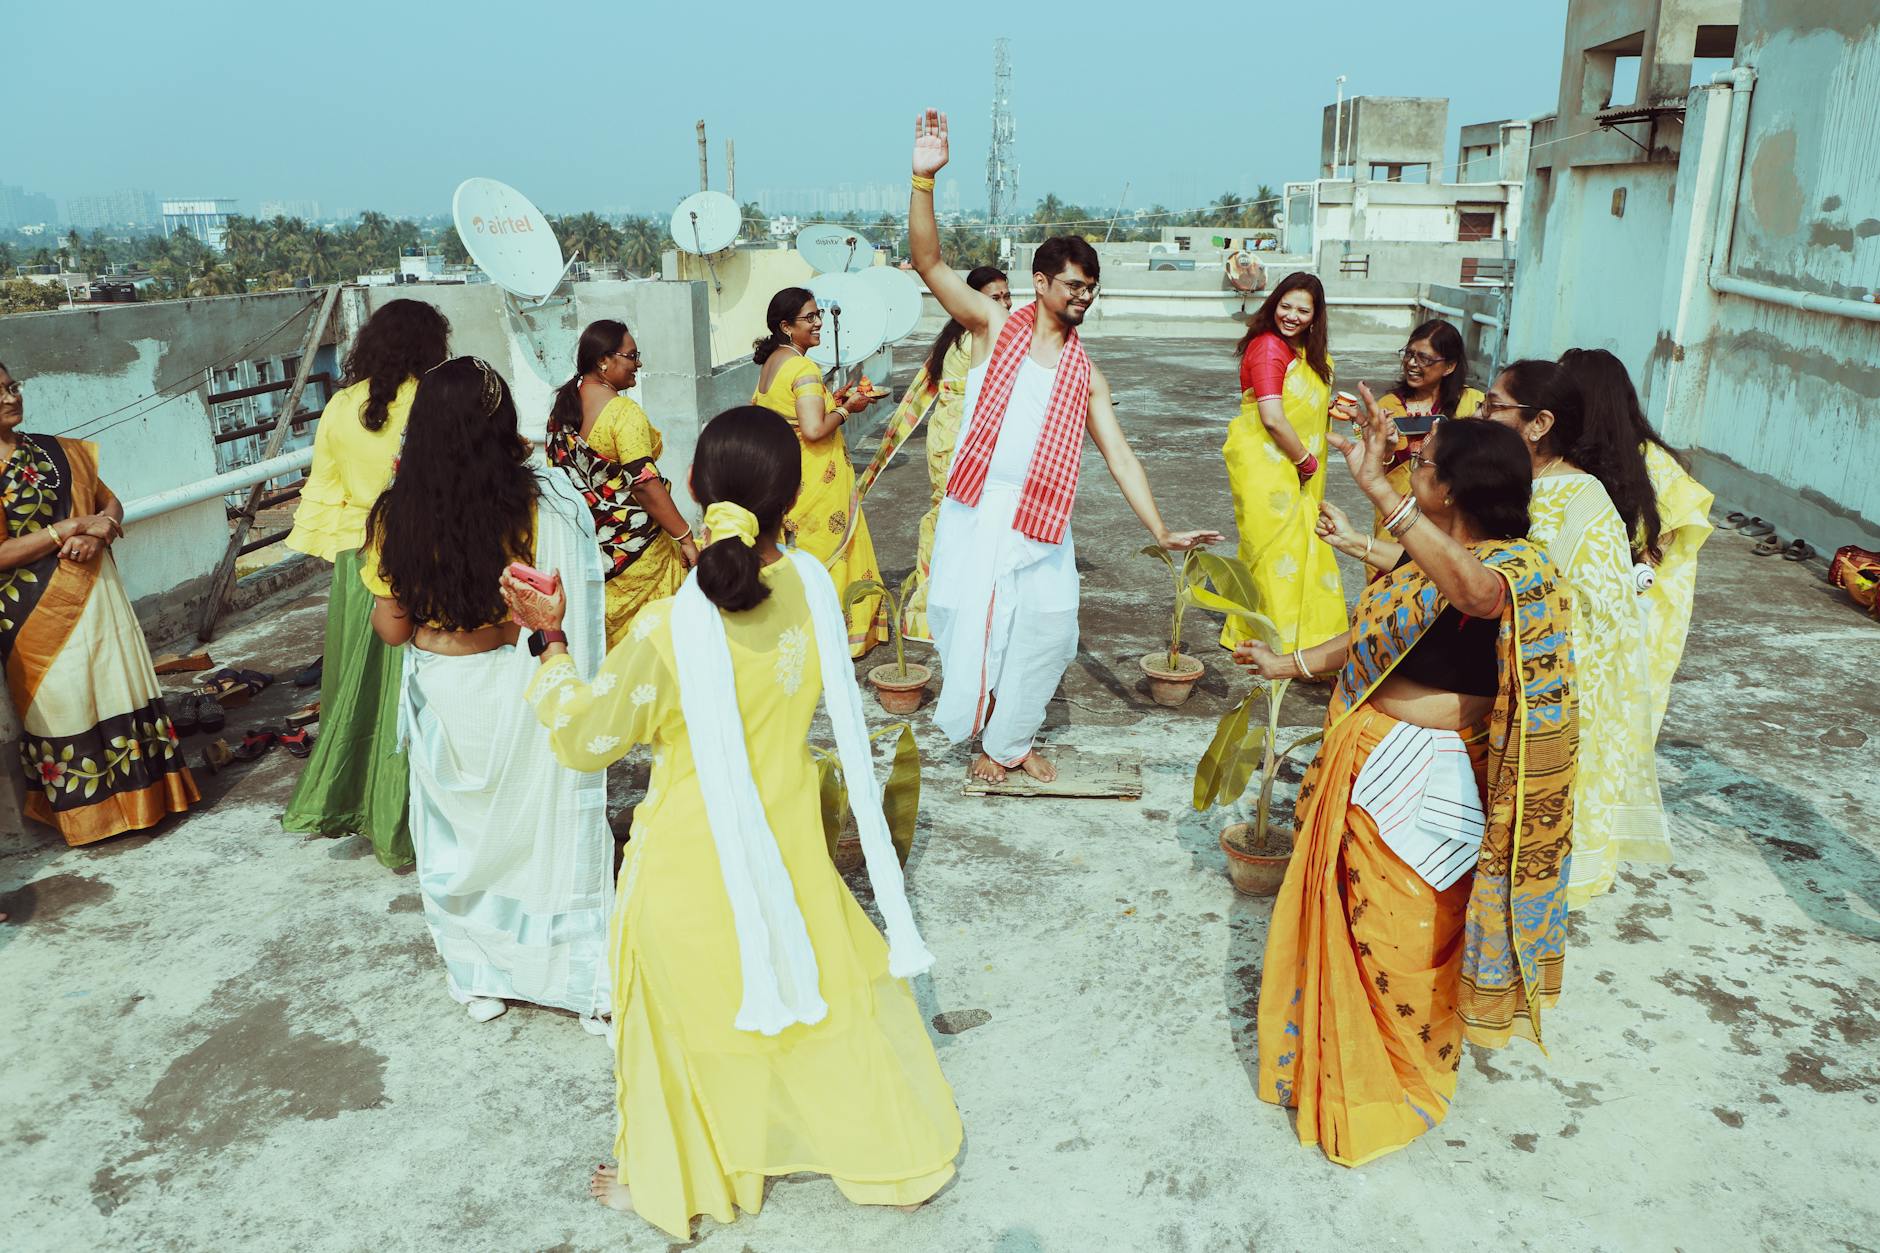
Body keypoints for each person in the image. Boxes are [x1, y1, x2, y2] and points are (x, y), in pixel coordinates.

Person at [501, 406, 962, 1239]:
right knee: (823, 1003)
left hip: (688, 863)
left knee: (684, 1014)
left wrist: (550, 642)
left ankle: (677, 1177)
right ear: (789, 499)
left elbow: (582, 736)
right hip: (788, 844)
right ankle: (891, 1155)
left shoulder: (671, 629)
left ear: (695, 490)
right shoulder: (812, 587)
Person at [1237, 402, 1578, 1166]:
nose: (1408, 471)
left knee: (1404, 935)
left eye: (1422, 465)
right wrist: (1286, 664)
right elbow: (1367, 638)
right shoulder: (1424, 560)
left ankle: (1403, 1080)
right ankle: (1343, 1067)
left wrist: (1381, 497)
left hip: (1437, 781)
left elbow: (1475, 594)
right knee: (1352, 930)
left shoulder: (1518, 570)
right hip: (1371, 757)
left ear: (1451, 489)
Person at [907, 108, 1222, 784]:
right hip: (981, 509)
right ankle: (986, 738)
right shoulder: (994, 325)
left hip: (1044, 519)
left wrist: (1161, 529)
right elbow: (928, 261)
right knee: (974, 627)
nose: (1084, 296)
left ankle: (1010, 741)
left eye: (1091, 288)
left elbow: (1120, 456)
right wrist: (923, 179)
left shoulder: (1087, 373)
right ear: (1043, 283)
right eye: (1075, 284)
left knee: (1050, 629)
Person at [362, 357, 611, 1027]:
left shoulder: (395, 515)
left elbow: (393, 629)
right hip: (527, 682)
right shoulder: (542, 502)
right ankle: (571, 975)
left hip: (449, 691)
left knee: (461, 844)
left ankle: (479, 976)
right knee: (540, 836)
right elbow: (566, 594)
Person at [1481, 360, 1668, 907]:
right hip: (1496, 672)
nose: (1482, 414)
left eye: (1494, 406)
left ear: (1539, 424)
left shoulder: (1582, 500)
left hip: (1547, 684)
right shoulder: (1513, 480)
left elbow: (1593, 611)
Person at [282, 298, 449, 866]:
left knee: (359, 692)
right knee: (418, 697)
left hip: (359, 563)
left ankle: (356, 804)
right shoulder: (433, 399)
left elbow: (324, 488)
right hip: (425, 557)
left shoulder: (340, 405)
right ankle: (408, 820)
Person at [0, 362, 197, 844]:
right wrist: (65, 529)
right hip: (32, 616)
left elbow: (109, 503)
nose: (10, 398)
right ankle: (88, 818)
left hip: (97, 593)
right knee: (65, 705)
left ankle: (149, 800)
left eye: (11, 387)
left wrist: (99, 532)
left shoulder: (54, 451)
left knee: (117, 689)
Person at [1557, 347, 1712, 737]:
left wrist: (1637, 569)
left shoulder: (1654, 463)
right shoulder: (1564, 453)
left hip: (1622, 610)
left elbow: (1664, 543)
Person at [750, 288, 888, 658]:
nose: (818, 323)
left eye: (818, 315)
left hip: (790, 474)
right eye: (809, 317)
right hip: (816, 477)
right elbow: (813, 429)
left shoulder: (774, 363)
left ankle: (799, 634)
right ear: (786, 326)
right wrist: (847, 409)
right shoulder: (803, 368)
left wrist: (833, 401)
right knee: (827, 553)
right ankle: (834, 637)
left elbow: (792, 416)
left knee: (798, 554)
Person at [546, 319, 698, 648]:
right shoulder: (622, 412)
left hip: (591, 554)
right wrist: (685, 537)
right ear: (604, 360)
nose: (638, 364)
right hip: (640, 554)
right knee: (653, 648)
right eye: (632, 356)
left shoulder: (561, 413)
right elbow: (644, 483)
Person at [1220, 271, 1346, 653]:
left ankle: (1297, 640)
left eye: (1302, 311)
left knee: (1302, 548)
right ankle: (1275, 643)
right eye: (1285, 306)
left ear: (1316, 315)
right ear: (1273, 304)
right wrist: (1305, 461)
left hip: (1297, 463)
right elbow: (1273, 418)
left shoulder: (1306, 351)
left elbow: (1297, 401)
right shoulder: (1268, 348)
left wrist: (1326, 408)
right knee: (1273, 550)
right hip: (1268, 466)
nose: (1291, 316)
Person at [893, 265, 1010, 642]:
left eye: (1007, 296)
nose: (1005, 304)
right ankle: (936, 609)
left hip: (952, 434)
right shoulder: (976, 337)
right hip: (958, 438)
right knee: (952, 519)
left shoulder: (958, 333)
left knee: (956, 516)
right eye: (995, 298)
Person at [1368, 319, 1484, 542]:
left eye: (1424, 359)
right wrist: (1387, 451)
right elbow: (1372, 470)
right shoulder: (1388, 405)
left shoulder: (1474, 403)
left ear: (1449, 366)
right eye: (1409, 354)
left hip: (1454, 524)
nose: (1412, 363)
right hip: (1396, 517)